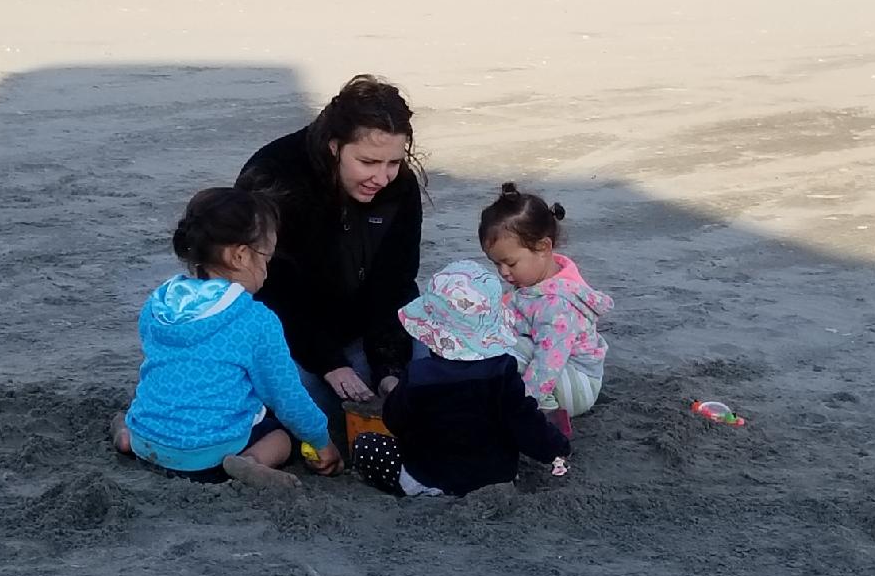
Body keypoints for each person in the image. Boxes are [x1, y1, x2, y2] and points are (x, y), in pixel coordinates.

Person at [112, 188, 342, 490]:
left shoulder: (158, 303)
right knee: (280, 436)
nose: (267, 271)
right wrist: (321, 440)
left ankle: (126, 436)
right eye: (267, 258)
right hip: (208, 457)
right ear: (241, 255)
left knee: (147, 412)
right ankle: (251, 462)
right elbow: (285, 397)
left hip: (149, 447)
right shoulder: (253, 319)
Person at [236, 75, 423, 427]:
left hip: (363, 336)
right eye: (368, 162)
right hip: (294, 343)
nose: (382, 178)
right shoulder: (274, 176)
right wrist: (328, 363)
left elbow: (396, 283)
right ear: (335, 146)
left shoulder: (400, 188)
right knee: (291, 398)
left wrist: (390, 369)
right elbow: (269, 292)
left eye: (393, 163)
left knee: (440, 367)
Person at [352, 260, 570, 497]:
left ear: (433, 332)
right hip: (494, 478)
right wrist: (557, 448)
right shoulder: (504, 372)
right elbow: (527, 425)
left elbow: (394, 420)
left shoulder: (419, 376)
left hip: (430, 478)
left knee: (365, 445)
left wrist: (395, 396)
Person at [479, 184, 612, 437]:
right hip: (561, 374)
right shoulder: (534, 283)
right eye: (496, 264)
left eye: (510, 263)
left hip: (576, 385)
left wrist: (524, 404)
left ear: (543, 248)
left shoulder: (556, 304)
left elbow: (548, 362)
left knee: (510, 351)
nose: (503, 272)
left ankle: (544, 415)